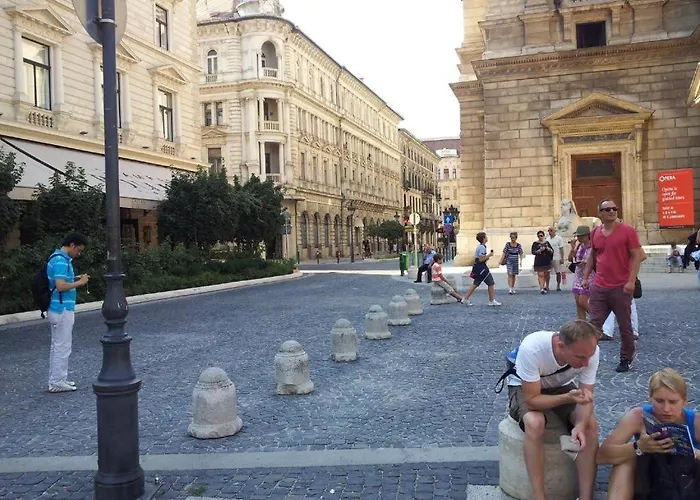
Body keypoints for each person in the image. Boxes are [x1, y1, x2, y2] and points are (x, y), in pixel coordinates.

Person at [506, 320, 601, 500]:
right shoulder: (533, 348)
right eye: (580, 357)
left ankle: (586, 496)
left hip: (561, 385)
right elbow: (532, 401)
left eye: (589, 356)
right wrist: (567, 398)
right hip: (525, 386)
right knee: (535, 423)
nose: (586, 362)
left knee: (590, 425)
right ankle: (539, 496)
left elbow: (587, 396)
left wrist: (580, 425)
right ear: (561, 346)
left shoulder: (590, 351)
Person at [597, 368, 700, 500]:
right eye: (659, 401)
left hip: (688, 483)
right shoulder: (638, 417)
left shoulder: (696, 422)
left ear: (684, 401)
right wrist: (638, 447)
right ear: (650, 398)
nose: (666, 409)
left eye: (673, 402)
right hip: (649, 480)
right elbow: (601, 456)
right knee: (625, 460)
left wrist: (694, 452)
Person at [582, 200, 646, 373]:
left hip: (621, 286)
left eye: (614, 208)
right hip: (600, 286)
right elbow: (592, 256)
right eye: (607, 209)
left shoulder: (628, 231)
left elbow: (638, 256)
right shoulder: (596, 232)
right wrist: (586, 276)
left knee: (625, 326)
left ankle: (626, 359)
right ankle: (584, 357)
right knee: (593, 325)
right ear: (600, 213)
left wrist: (631, 281)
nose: (612, 211)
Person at [46, 232, 90, 393]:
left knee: (58, 345)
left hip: (58, 307)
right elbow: (60, 286)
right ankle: (57, 381)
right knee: (62, 346)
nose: (79, 253)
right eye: (79, 249)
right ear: (72, 245)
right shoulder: (60, 260)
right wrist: (80, 282)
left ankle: (58, 379)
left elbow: (60, 281)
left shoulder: (58, 258)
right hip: (61, 308)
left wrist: (75, 278)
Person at [462, 232, 501, 306]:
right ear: (483, 238)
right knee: (490, 283)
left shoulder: (481, 246)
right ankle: (491, 300)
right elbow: (481, 259)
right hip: (481, 267)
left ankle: (465, 298)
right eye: (486, 236)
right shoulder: (482, 247)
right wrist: (489, 255)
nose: (487, 238)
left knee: (476, 283)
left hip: (479, 267)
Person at [569, 225, 595, 320]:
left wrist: (586, 263)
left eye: (581, 236)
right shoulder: (579, 246)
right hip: (578, 275)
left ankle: (597, 318)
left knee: (583, 302)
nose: (579, 238)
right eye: (578, 236)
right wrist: (572, 248)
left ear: (588, 235)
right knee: (578, 303)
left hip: (589, 276)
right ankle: (582, 324)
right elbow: (570, 259)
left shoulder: (593, 247)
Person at [547, 227, 565, 292]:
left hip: (556, 257)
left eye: (551, 230)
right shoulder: (547, 239)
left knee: (558, 272)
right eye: (549, 230)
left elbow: (561, 249)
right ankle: (547, 286)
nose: (550, 232)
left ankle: (558, 285)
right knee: (547, 272)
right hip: (549, 258)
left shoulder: (559, 239)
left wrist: (562, 258)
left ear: (555, 231)